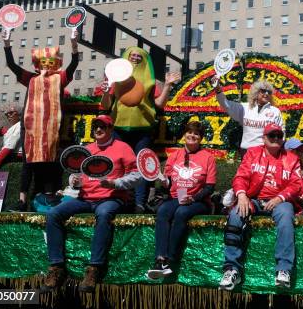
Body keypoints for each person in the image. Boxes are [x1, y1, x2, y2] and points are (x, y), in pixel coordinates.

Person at [41, 116, 141, 293]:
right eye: (95, 126)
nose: (98, 129)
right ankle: (56, 268)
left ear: (111, 129)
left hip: (111, 198)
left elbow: (136, 175)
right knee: (53, 214)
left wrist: (115, 183)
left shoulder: (122, 147)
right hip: (85, 198)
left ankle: (94, 269)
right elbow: (77, 176)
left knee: (103, 214)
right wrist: (74, 181)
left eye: (103, 126)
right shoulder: (86, 149)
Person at [219, 124, 301, 291]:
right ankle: (232, 270)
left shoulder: (292, 158)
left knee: (286, 216)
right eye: (272, 135)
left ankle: (284, 269)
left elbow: (296, 184)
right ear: (264, 138)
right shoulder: (253, 153)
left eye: (279, 135)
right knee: (235, 214)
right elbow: (240, 176)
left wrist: (280, 197)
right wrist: (241, 195)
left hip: (279, 201)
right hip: (254, 198)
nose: (276, 138)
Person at [2, 30, 79, 206]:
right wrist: (7, 44)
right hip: (29, 126)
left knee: (49, 160)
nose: (46, 65)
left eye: (50, 62)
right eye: (43, 62)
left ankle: (49, 195)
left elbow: (74, 64)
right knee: (28, 161)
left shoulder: (60, 78)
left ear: (55, 63)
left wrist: (74, 44)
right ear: (37, 64)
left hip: (51, 126)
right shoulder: (30, 78)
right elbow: (12, 64)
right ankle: (21, 200)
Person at [100, 46, 181, 213]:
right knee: (118, 164)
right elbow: (106, 105)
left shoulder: (150, 81)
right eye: (132, 55)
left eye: (139, 56)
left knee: (142, 166)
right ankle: (118, 200)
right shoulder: (115, 78)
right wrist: (107, 92)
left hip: (143, 129)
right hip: (118, 128)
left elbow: (159, 105)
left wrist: (167, 86)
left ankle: (139, 203)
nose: (135, 58)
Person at [146, 121, 217, 279]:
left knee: (182, 212)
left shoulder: (208, 158)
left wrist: (193, 198)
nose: (192, 136)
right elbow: (168, 181)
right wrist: (165, 182)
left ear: (201, 138)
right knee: (163, 211)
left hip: (199, 201)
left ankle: (170, 260)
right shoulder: (175, 155)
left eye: (196, 134)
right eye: (189, 133)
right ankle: (160, 260)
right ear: (185, 135)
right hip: (176, 198)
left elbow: (210, 187)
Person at [213, 79, 283, 154]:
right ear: (256, 92)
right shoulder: (244, 108)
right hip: (246, 152)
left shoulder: (275, 111)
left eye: (269, 92)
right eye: (263, 91)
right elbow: (226, 105)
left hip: (266, 152)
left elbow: (282, 132)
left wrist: (276, 151)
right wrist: (218, 90)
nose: (266, 94)